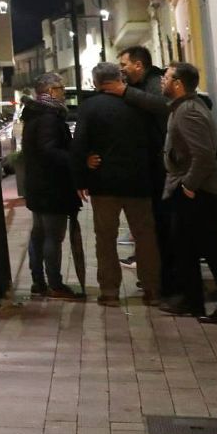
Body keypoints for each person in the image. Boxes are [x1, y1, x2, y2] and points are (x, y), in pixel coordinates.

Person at [156, 63, 217, 323]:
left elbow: (204, 155)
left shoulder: (188, 111)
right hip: (191, 189)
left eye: (166, 77)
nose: (162, 81)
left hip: (198, 191)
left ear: (178, 83)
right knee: (186, 247)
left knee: (208, 247)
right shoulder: (181, 108)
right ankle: (193, 301)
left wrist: (188, 187)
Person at [72, 62, 161, 307]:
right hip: (138, 180)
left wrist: (81, 176)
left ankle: (110, 291)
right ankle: (152, 288)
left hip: (104, 181)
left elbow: (79, 143)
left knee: (105, 237)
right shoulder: (137, 104)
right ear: (119, 78)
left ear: (95, 82)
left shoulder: (90, 107)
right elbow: (153, 140)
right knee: (144, 236)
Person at [107, 46, 175, 299]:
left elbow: (164, 105)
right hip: (155, 169)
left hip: (165, 169)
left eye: (124, 64)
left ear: (138, 65)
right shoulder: (142, 86)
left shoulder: (154, 83)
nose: (121, 69)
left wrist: (125, 92)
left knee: (164, 227)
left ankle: (169, 282)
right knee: (157, 227)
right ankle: (162, 280)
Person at [20, 74, 84, 300]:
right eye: (60, 88)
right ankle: (54, 283)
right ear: (49, 91)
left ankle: (39, 281)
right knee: (52, 237)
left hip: (38, 184)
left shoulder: (35, 114)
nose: (63, 91)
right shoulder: (48, 117)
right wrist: (75, 158)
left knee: (39, 234)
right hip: (51, 186)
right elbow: (49, 150)